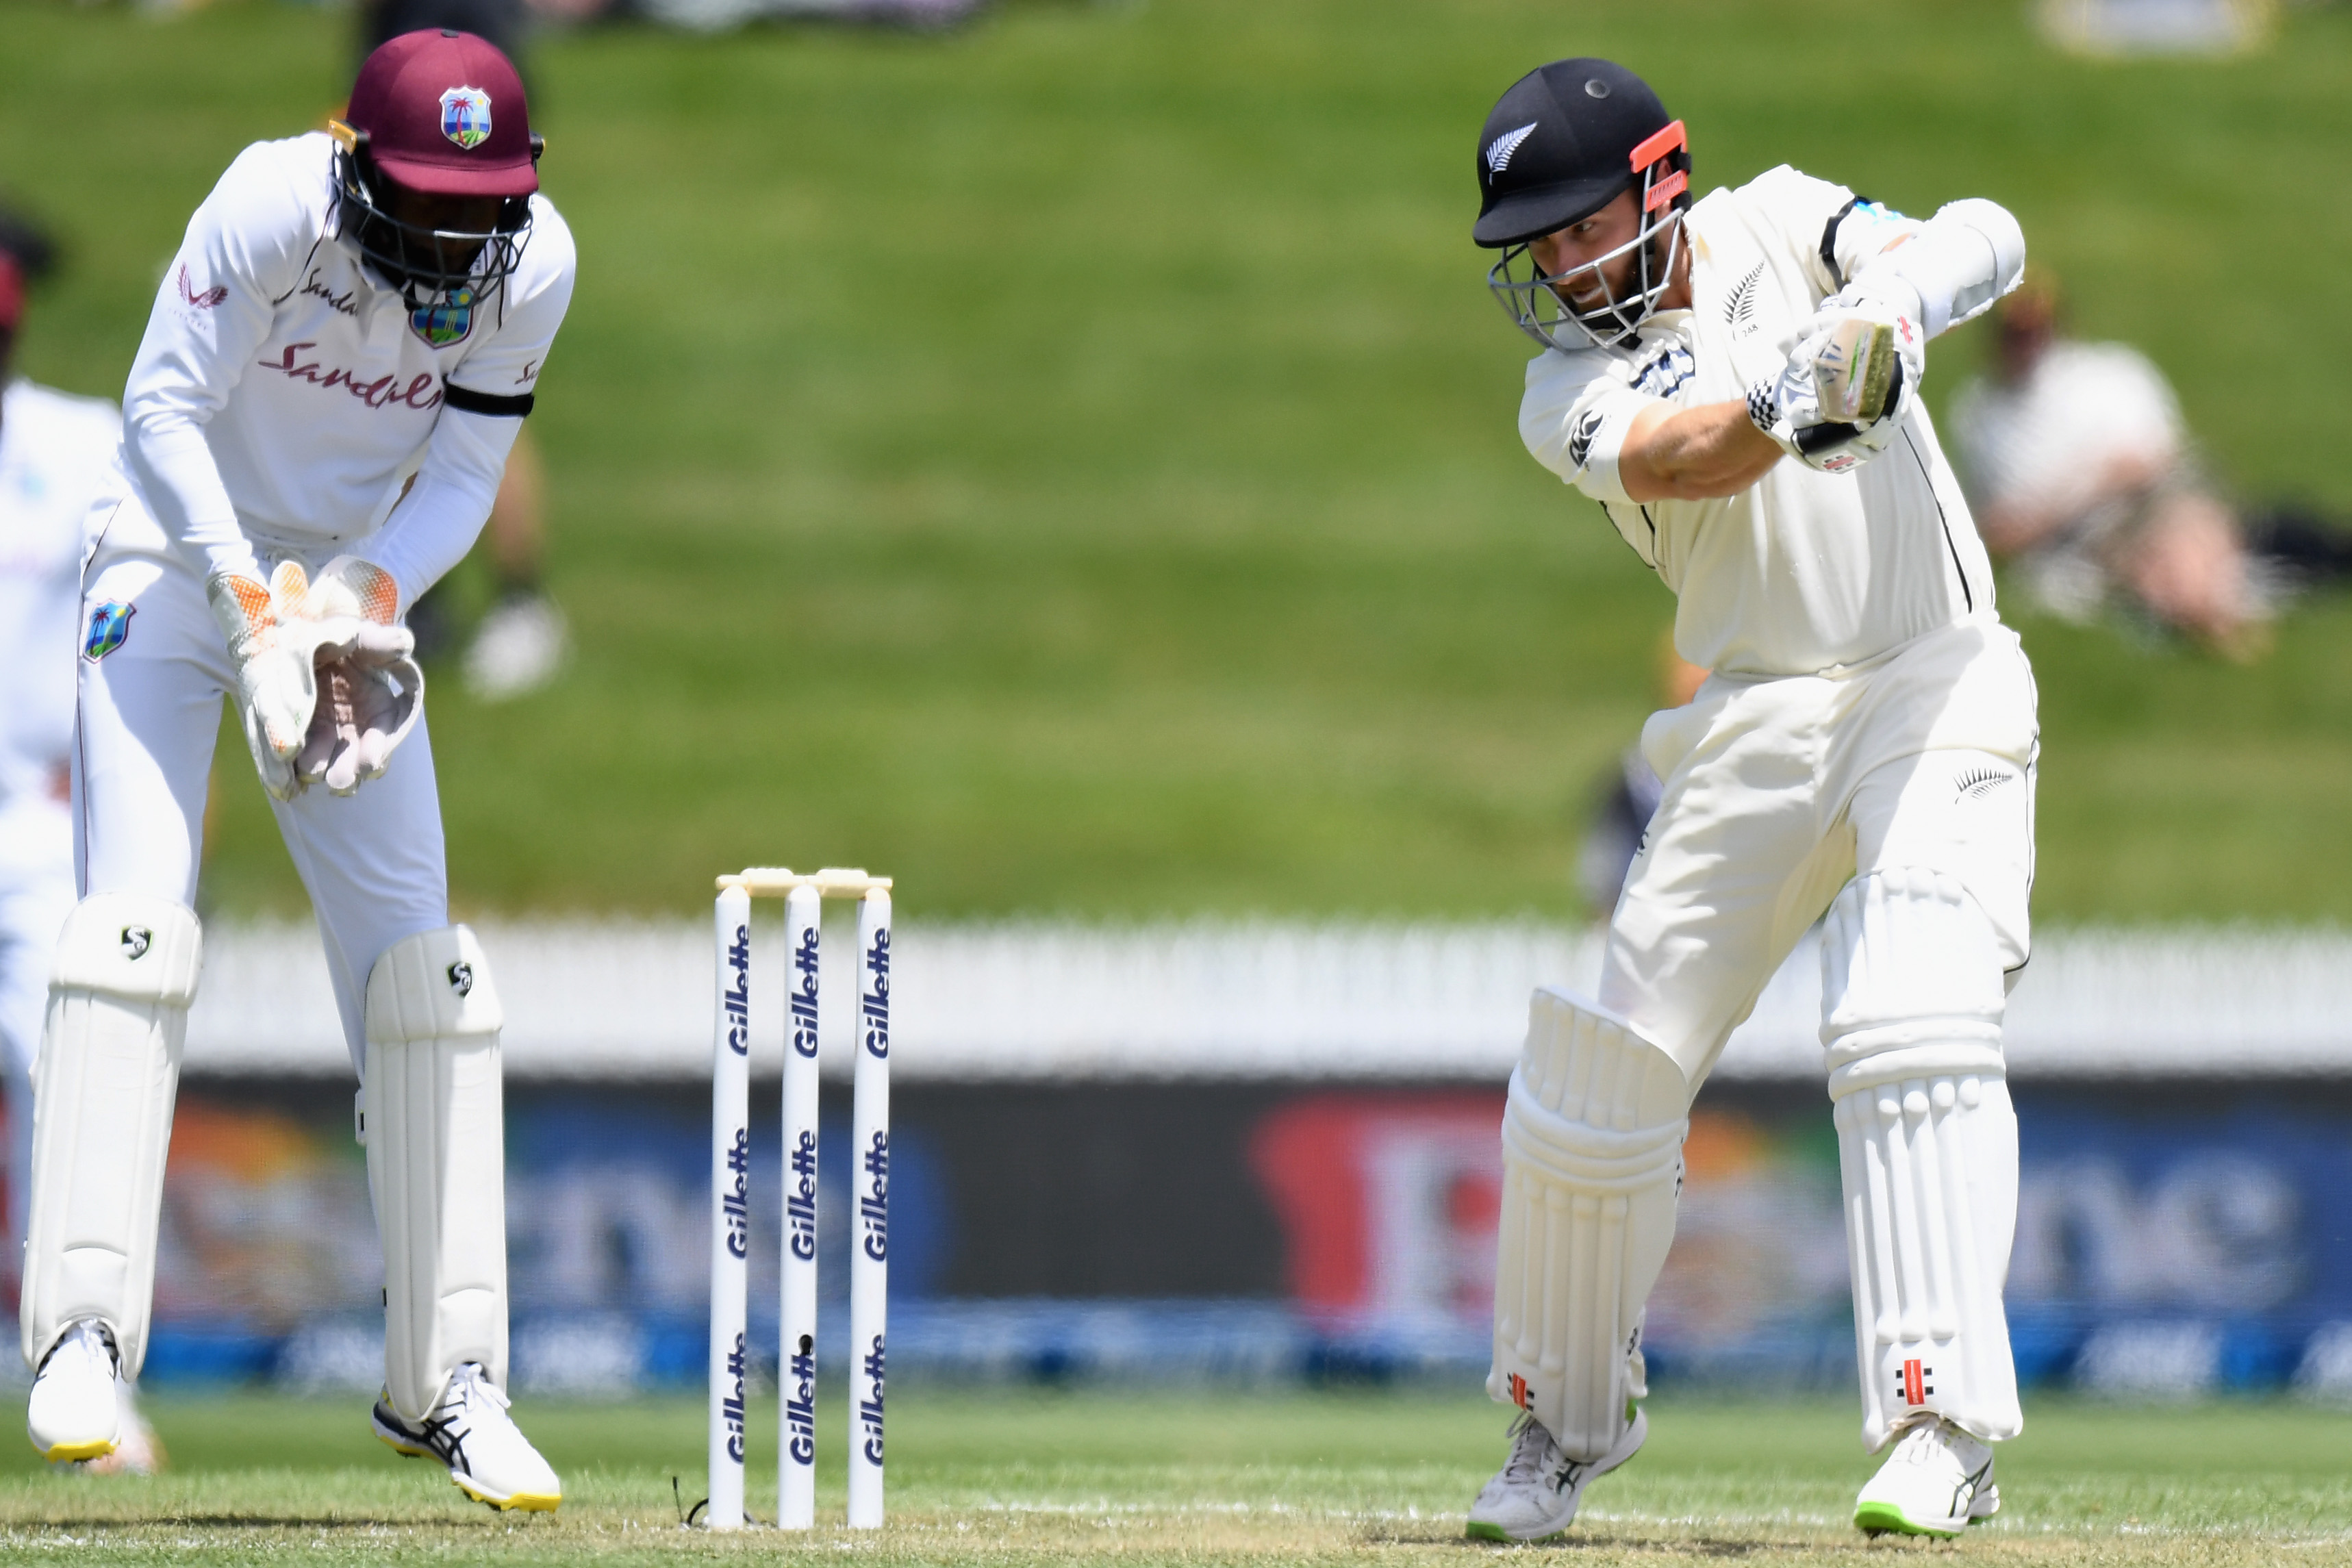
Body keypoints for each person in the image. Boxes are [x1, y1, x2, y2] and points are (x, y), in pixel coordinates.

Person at [1465, 59, 2035, 1541]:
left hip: (1932, 672)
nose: (1553, 263)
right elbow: (1685, 455)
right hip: (1758, 710)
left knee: (1906, 1013)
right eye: (1534, 243)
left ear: (1657, 182)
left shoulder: (1780, 220)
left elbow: (1988, 231)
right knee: (1598, 1081)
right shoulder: (1561, 391)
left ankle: (1940, 1427)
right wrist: (1792, 392)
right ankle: (1559, 1428)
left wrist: (1881, 314)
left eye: (1574, 226)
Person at [21, 29, 573, 1512]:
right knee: (133, 932)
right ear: (355, 167)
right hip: (170, 558)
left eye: (485, 208)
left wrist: (364, 602)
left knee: (426, 982)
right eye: (429, 206)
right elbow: (159, 411)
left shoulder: (537, 265)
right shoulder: (273, 203)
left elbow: (462, 474)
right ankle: (79, 1337)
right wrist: (246, 594)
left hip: (338, 593)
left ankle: (446, 1378)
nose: (460, 242)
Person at [0, 217, 170, 1477]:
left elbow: (154, 620)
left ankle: (79, 1361)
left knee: (72, 1090)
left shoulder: (74, 446)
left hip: (34, 819)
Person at [1948, 275, 2351, 659]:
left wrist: (2056, 507)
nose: (2028, 346)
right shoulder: (1980, 416)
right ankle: (2213, 620)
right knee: (2159, 564)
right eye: (2017, 335)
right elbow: (2001, 528)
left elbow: (2146, 464)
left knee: (2183, 539)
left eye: (2036, 331)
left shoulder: (2109, 373)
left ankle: (2210, 616)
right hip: (2094, 532)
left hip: (2161, 495)